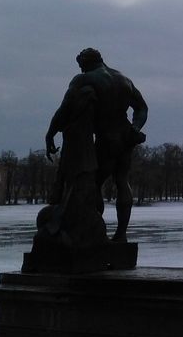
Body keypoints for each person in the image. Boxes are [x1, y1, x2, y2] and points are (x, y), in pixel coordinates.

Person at [45, 47, 147, 243]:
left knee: (94, 184)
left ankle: (94, 231)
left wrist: (51, 133)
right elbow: (142, 108)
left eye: (81, 66)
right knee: (122, 181)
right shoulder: (123, 79)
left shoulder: (84, 79)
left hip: (106, 138)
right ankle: (121, 234)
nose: (81, 70)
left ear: (85, 63)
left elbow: (65, 109)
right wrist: (135, 127)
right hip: (126, 135)